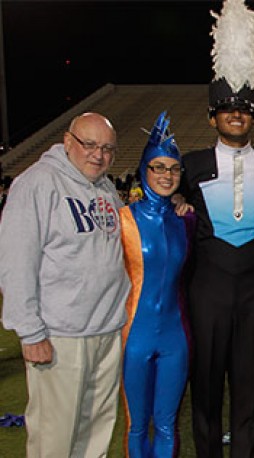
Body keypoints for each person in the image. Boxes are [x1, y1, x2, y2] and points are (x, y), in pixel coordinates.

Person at [178, 3, 254, 454]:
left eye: (243, 109)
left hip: (253, 293)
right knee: (205, 387)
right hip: (207, 289)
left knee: (247, 386)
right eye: (226, 109)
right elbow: (163, 199)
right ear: (212, 117)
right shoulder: (190, 165)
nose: (236, 115)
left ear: (253, 116)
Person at [0, 112, 131, 457]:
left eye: (107, 148)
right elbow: (16, 262)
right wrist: (30, 332)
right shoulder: (37, 184)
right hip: (61, 334)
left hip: (106, 330)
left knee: (96, 432)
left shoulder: (104, 188)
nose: (98, 155)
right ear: (68, 141)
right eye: (89, 145)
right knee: (54, 437)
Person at [120, 112, 193, 457]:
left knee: (166, 424)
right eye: (159, 167)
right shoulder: (123, 218)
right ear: (144, 170)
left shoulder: (185, 219)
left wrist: (181, 205)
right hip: (134, 334)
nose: (167, 175)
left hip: (175, 336)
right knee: (136, 424)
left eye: (173, 169)